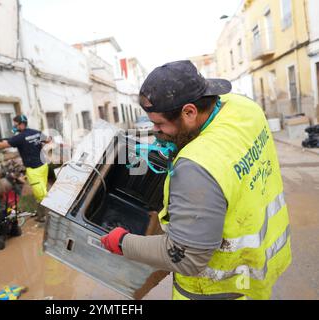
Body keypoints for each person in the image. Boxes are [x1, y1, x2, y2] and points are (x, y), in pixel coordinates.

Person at [101, 60, 292, 300]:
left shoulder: (197, 166)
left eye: (159, 124)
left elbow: (186, 257)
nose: (155, 130)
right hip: (259, 265)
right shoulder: (244, 108)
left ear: (189, 112)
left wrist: (122, 242)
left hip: (218, 290)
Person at [0, 114, 51, 222]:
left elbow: (2, 146)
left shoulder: (19, 138)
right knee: (42, 190)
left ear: (22, 124)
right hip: (43, 166)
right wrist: (37, 146)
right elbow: (48, 140)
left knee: (41, 195)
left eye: (15, 124)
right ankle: (41, 215)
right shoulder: (35, 132)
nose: (14, 127)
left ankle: (48, 218)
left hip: (34, 170)